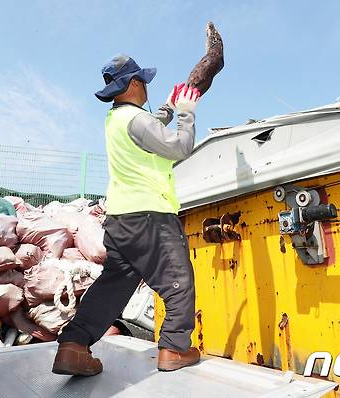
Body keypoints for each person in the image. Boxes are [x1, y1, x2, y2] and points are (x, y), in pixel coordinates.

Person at [52, 54, 201, 376]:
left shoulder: (116, 118)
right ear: (134, 84)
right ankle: (174, 349)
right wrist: (186, 115)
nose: (147, 86)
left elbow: (147, 127)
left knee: (113, 286)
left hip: (120, 219)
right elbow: (179, 148)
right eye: (144, 81)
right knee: (178, 281)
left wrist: (169, 107)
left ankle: (73, 346)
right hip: (150, 215)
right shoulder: (137, 120)